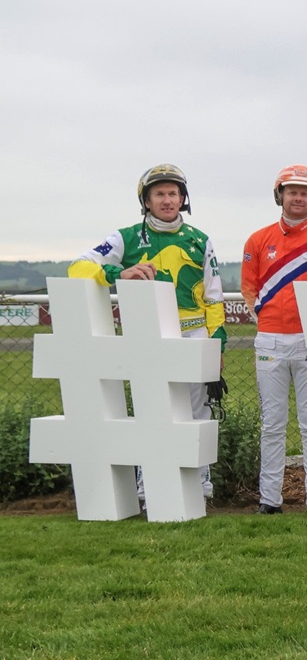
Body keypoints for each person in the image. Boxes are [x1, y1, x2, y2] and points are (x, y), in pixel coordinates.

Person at [69, 163, 226, 505]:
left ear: (183, 198)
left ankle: (200, 487)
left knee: (197, 415)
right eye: (160, 194)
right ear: (146, 200)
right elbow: (77, 267)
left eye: (173, 193)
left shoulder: (201, 239)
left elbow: (213, 297)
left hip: (194, 334)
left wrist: (218, 343)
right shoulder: (123, 238)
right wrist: (118, 272)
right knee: (150, 411)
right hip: (148, 338)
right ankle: (147, 486)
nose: (167, 200)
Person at [241, 165, 307, 514]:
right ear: (280, 195)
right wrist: (265, 317)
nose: (298, 197)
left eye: (305, 192)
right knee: (272, 425)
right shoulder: (258, 239)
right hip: (270, 340)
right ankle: (269, 499)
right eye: (292, 191)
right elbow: (249, 286)